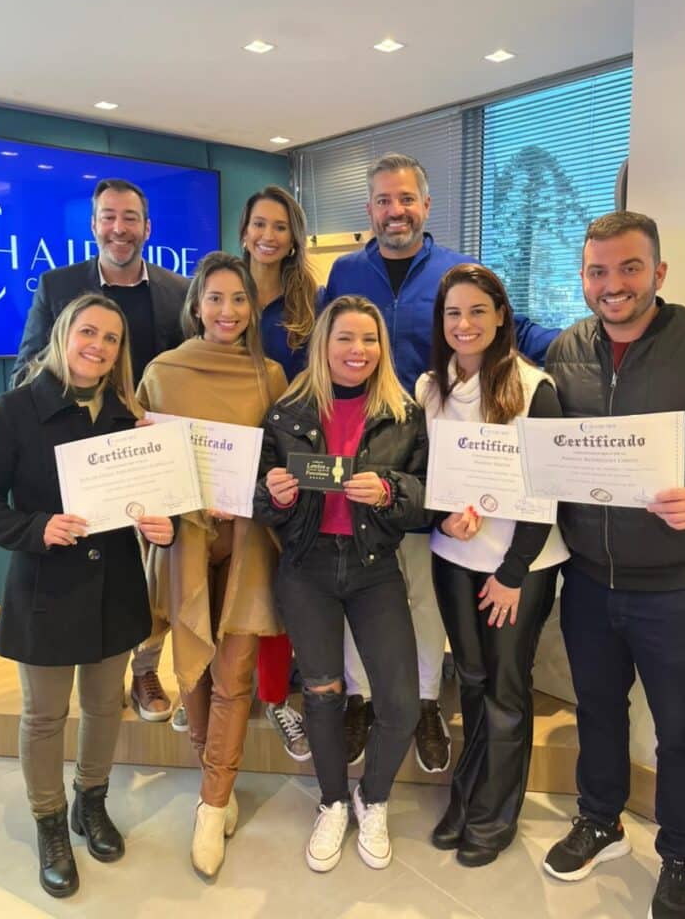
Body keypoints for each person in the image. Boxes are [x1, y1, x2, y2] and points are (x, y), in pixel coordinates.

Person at [324, 152, 560, 773]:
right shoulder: (347, 269)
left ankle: (427, 700)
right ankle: (360, 696)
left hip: (433, 466)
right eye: (382, 200)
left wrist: (595, 348)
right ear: (369, 209)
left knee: (423, 591)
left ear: (427, 206)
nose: (394, 211)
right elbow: (325, 349)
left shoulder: (458, 270)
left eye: (406, 199)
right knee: (356, 582)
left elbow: (522, 332)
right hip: (358, 452)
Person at [0, 293, 174, 898]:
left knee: (106, 707)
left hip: (115, 589)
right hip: (45, 589)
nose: (98, 346)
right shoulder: (16, 408)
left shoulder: (131, 418)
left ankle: (92, 801)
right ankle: (50, 821)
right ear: (63, 334)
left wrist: (165, 526)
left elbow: (153, 503)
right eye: (88, 332)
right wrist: (35, 529)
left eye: (111, 339)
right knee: (44, 716)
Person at [542, 211, 685, 919]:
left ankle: (681, 856)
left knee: (681, 728)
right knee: (597, 710)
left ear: (658, 272)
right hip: (588, 578)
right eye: (597, 271)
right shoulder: (566, 349)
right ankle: (600, 819)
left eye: (628, 269)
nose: (612, 285)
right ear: (583, 277)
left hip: (679, 585)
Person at [253, 295, 428, 873]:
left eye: (369, 339)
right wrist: (274, 497)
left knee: (400, 702)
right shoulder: (286, 414)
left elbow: (428, 498)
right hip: (306, 569)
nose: (358, 351)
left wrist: (391, 492)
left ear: (382, 347)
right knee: (324, 696)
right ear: (323, 344)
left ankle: (371, 797)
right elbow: (256, 498)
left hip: (373, 566)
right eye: (345, 339)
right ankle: (331, 801)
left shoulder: (403, 414)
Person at [12, 177, 191, 726]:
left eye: (130, 217)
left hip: (148, 455)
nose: (120, 228)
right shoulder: (56, 284)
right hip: (80, 459)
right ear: (94, 226)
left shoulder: (178, 290)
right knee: (96, 567)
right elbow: (25, 370)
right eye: (108, 216)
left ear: (147, 227)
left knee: (152, 571)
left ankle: (143, 668)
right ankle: (99, 673)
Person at [137, 251, 287, 878]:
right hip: (186, 541)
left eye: (240, 300)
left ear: (253, 309)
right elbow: (140, 456)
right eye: (216, 298)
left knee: (235, 672)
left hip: (250, 539)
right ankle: (210, 774)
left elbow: (284, 455)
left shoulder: (272, 374)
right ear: (197, 304)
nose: (228, 311)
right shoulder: (162, 373)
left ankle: (211, 802)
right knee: (192, 665)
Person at [415, 264, 568, 867]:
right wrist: (440, 518)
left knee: (505, 690)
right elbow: (423, 477)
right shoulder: (432, 388)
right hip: (453, 559)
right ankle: (468, 795)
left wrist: (513, 570)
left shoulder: (534, 388)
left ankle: (494, 815)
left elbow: (548, 490)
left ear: (501, 315)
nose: (465, 323)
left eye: (478, 310)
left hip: (519, 567)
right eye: (453, 313)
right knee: (472, 684)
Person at [239, 185, 320, 762]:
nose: (268, 236)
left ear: (294, 238)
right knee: (226, 575)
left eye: (281, 226)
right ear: (243, 231)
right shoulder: (219, 287)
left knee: (281, 578)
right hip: (223, 453)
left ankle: (274, 695)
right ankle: (218, 687)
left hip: (285, 455)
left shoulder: (309, 303)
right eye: (259, 224)